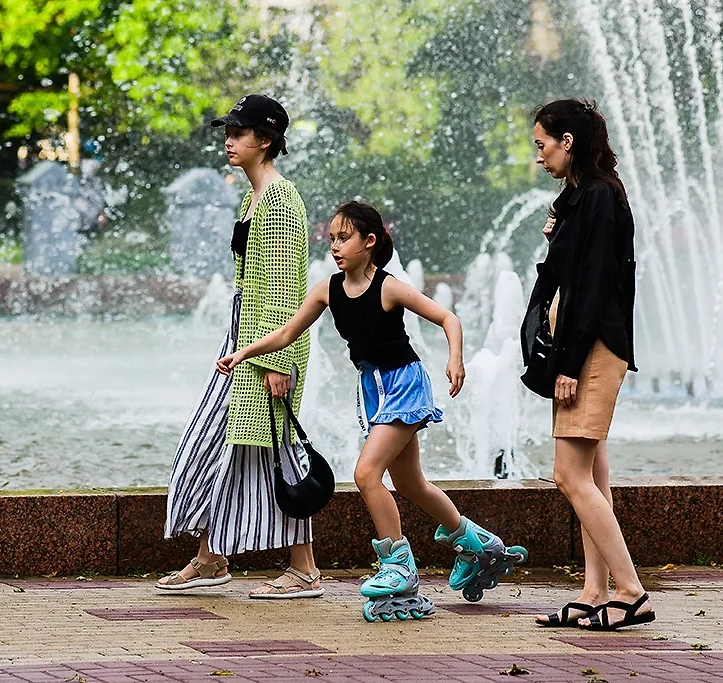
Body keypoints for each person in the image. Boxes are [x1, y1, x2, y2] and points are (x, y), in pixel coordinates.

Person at [217, 201, 527, 621]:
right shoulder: (327, 290)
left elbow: (448, 318)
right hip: (373, 390)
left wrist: (455, 360)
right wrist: (243, 354)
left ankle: (398, 568)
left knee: (366, 473)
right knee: (411, 482)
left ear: (370, 241)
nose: (336, 247)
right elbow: (287, 332)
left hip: (404, 384)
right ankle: (476, 544)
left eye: (345, 238)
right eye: (332, 239)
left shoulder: (389, 287)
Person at [157, 94, 323, 599]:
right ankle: (211, 558)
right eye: (228, 130)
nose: (229, 140)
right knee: (234, 448)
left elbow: (279, 286)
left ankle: (304, 569)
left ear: (266, 140)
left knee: (268, 448)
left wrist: (274, 362)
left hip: (267, 348)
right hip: (247, 340)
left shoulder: (277, 201)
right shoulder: (256, 197)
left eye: (240, 132)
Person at [524, 99, 655, 630]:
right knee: (592, 476)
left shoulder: (599, 197)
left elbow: (595, 287)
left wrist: (570, 365)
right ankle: (594, 591)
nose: (539, 156)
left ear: (567, 141)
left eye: (542, 144)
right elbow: (563, 273)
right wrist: (556, 234)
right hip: (581, 346)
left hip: (593, 348)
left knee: (569, 475)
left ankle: (632, 592)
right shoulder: (580, 197)